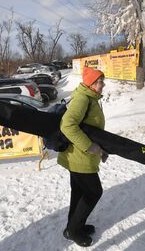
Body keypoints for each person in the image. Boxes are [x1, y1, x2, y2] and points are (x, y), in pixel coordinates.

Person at [58, 66, 107, 247]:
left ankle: (73, 226)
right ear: (91, 83)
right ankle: (74, 230)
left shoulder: (90, 98)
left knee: (79, 193)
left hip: (80, 156)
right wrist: (90, 147)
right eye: (100, 81)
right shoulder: (82, 99)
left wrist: (101, 147)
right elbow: (68, 126)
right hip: (80, 157)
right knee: (94, 192)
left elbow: (91, 129)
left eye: (102, 80)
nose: (103, 84)